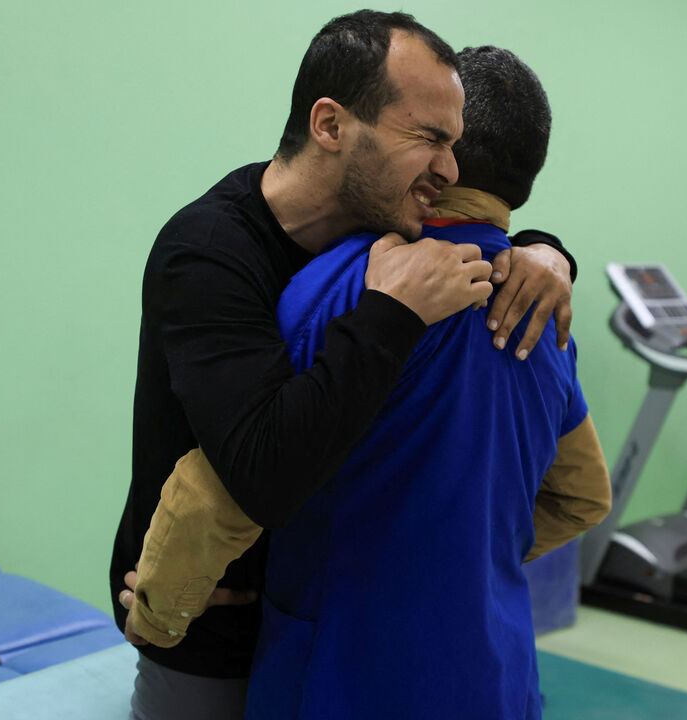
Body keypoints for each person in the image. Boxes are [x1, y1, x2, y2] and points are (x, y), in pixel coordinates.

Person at [110, 10, 578, 719]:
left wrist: (547, 252)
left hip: (322, 621)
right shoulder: (209, 253)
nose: (450, 169)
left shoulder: (391, 232)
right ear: (329, 126)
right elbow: (259, 473)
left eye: (455, 144)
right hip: (217, 625)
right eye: (429, 139)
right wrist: (394, 311)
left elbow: (478, 220)